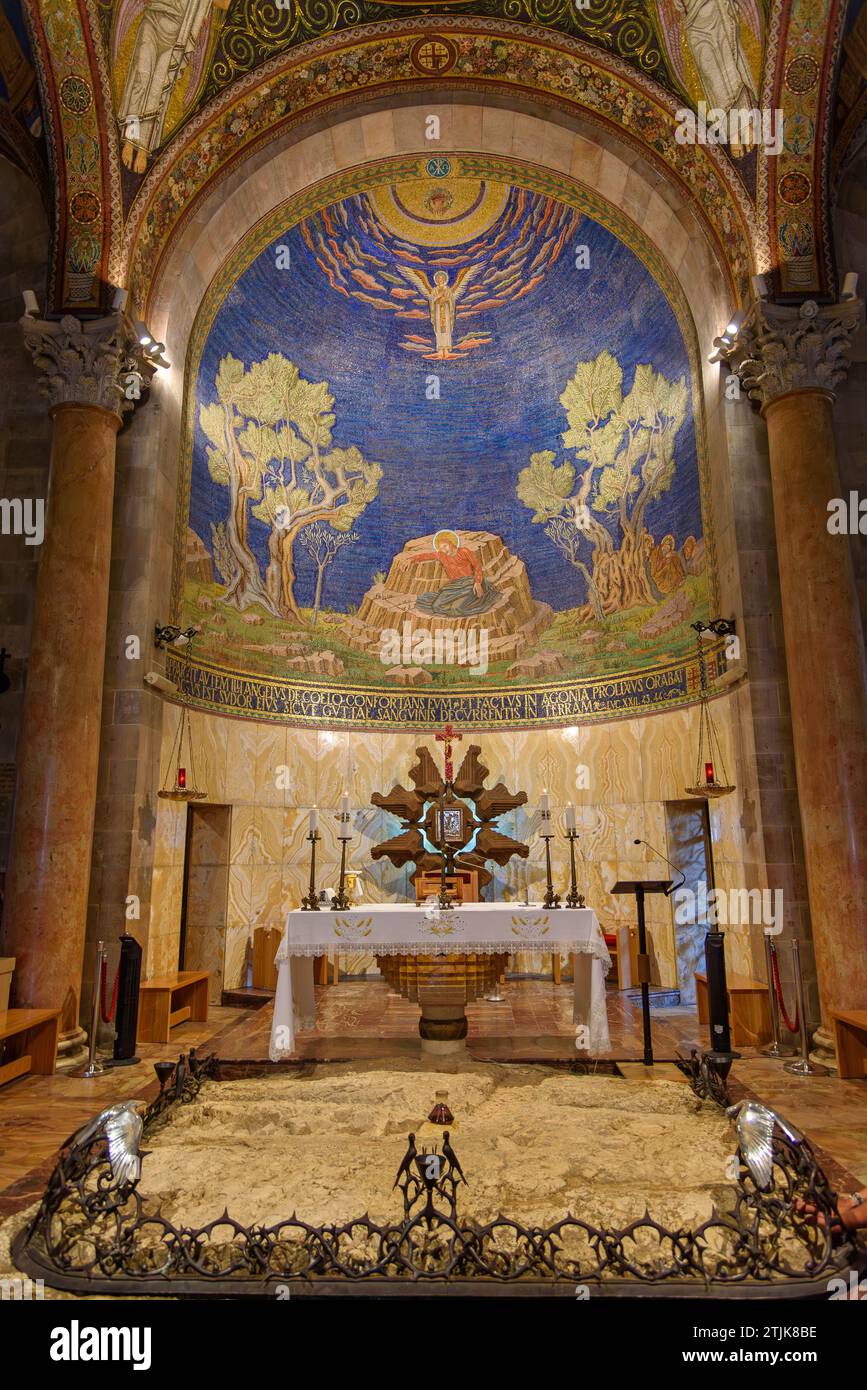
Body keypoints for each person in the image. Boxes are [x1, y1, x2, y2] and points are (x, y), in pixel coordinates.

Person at [404, 530, 499, 617]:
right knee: (435, 606)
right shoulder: (442, 555)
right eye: (441, 548)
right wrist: (410, 559)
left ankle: (478, 601)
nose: (444, 550)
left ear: (451, 543)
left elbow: (477, 566)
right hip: (454, 586)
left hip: (470, 584)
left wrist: (477, 582)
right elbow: (427, 556)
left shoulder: (464, 551)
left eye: (445, 546)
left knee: (456, 608)